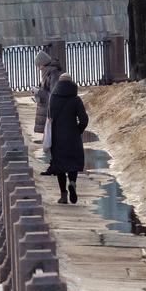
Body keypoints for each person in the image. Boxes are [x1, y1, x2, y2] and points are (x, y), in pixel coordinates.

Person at [46, 73, 89, 204]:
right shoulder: (76, 100)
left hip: (57, 137)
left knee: (60, 166)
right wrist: (78, 130)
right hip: (72, 137)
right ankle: (72, 183)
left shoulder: (53, 98)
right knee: (72, 163)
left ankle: (63, 195)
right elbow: (84, 119)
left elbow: (49, 116)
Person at [33, 50, 62, 134]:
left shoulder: (53, 73)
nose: (38, 68)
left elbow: (53, 96)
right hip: (46, 110)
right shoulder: (47, 73)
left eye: (38, 66)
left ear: (42, 64)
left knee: (50, 137)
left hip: (50, 112)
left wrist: (38, 92)